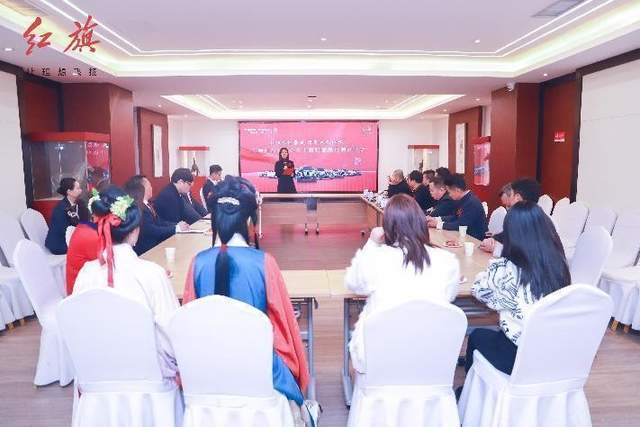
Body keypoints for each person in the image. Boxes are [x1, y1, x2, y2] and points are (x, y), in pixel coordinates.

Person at [182, 176, 311, 420]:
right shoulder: (263, 263)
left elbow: (189, 324)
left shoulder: (198, 263)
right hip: (258, 370)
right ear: (250, 221)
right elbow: (284, 326)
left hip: (207, 371)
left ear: (215, 220)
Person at [73, 185, 180, 380]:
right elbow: (172, 337)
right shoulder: (152, 274)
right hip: (149, 377)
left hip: (97, 376)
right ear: (135, 231)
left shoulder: (86, 273)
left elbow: (79, 329)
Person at [345, 194, 460, 373]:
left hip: (380, 356)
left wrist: (372, 243)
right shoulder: (447, 261)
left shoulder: (377, 259)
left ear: (387, 227)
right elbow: (449, 297)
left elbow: (354, 283)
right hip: (431, 357)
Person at [464, 202, 570, 376]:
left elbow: (479, 290)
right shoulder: (558, 263)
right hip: (552, 351)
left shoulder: (508, 269)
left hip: (519, 356)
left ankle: (469, 389)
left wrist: (490, 269)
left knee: (477, 336)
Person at [124, 175, 189, 255]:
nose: (151, 188)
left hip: (155, 245)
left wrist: (176, 225)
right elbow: (152, 230)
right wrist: (176, 229)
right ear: (142, 189)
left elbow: (159, 222)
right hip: (147, 250)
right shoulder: (139, 208)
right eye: (149, 186)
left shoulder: (147, 204)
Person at [480, 178, 542, 255]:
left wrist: (496, 249)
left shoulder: (534, 222)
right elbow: (505, 235)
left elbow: (523, 255)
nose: (507, 210)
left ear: (517, 198)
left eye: (509, 205)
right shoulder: (520, 217)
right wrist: (492, 239)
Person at [427, 174, 487, 240]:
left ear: (457, 190)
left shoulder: (472, 202)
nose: (449, 195)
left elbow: (461, 225)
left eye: (449, 192)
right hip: (463, 235)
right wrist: (436, 219)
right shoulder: (462, 199)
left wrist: (438, 224)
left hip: (474, 239)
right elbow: (455, 216)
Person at [45, 177, 89, 255]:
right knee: (89, 246)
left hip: (72, 237)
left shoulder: (79, 203)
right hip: (60, 244)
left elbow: (84, 221)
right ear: (69, 192)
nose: (81, 190)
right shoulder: (60, 209)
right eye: (78, 188)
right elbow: (64, 230)